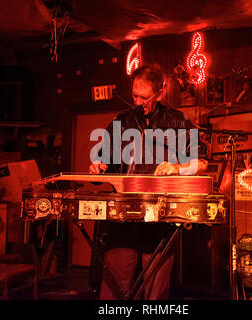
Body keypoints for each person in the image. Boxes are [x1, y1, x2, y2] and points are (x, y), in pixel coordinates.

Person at [89, 65, 208, 300]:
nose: (137, 101)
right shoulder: (121, 122)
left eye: (144, 97)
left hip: (159, 219)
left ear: (161, 93)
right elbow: (102, 163)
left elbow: (202, 163)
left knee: (155, 293)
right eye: (134, 95)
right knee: (114, 291)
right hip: (122, 220)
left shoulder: (177, 121)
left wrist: (177, 168)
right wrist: (98, 167)